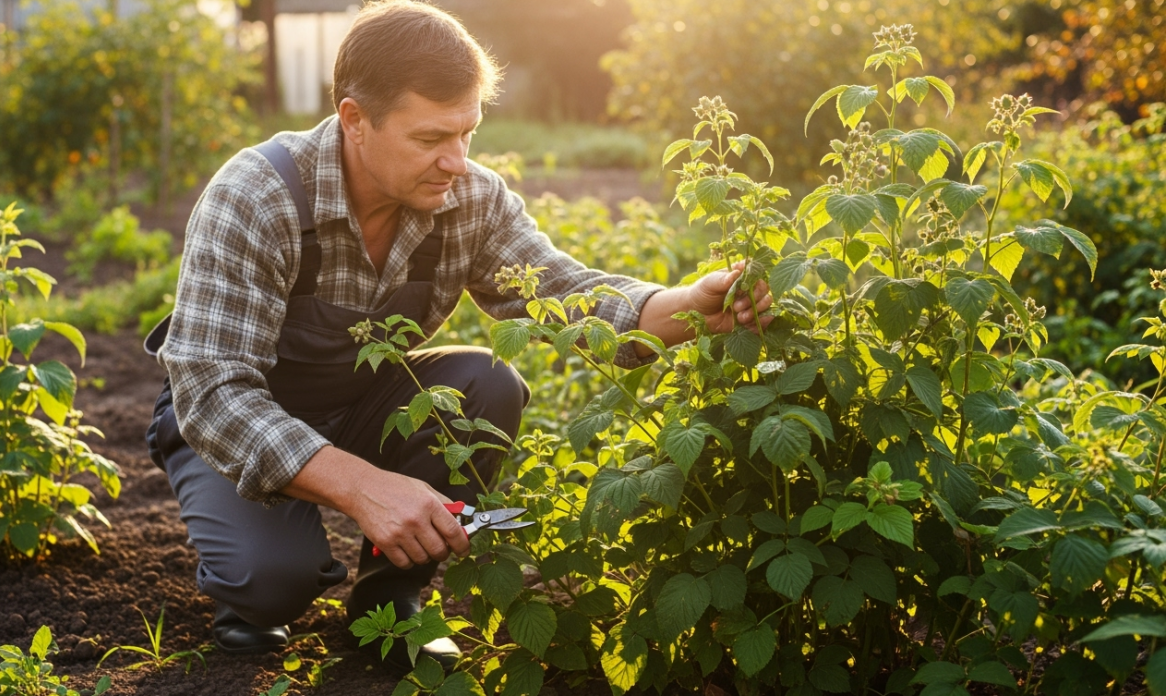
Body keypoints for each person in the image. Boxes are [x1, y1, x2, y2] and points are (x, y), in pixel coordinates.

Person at [143, 0, 772, 671]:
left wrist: (689, 309)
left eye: (467, 132)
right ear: (355, 120)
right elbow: (214, 395)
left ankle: (391, 599)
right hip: (233, 422)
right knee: (273, 582)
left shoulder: (466, 197)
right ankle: (252, 594)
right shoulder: (258, 196)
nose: (456, 161)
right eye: (429, 139)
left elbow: (563, 293)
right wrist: (364, 489)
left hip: (359, 406)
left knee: (486, 382)